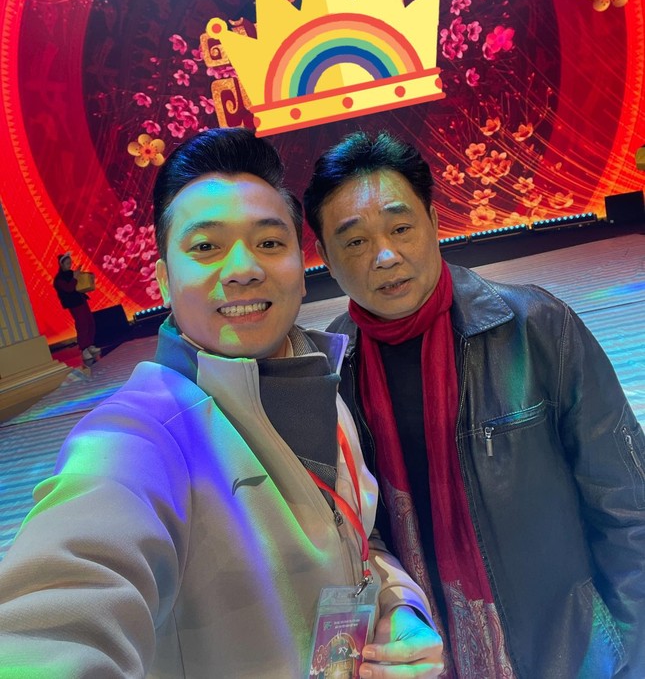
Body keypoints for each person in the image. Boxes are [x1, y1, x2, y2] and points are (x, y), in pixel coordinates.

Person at [0, 128, 443, 679]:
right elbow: (58, 610)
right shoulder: (139, 436)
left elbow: (357, 534)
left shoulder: (321, 382)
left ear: (302, 268)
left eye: (270, 243)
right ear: (164, 280)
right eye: (206, 247)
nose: (243, 269)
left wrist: (399, 607)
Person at [303, 130, 645, 679]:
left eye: (400, 228)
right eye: (356, 241)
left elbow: (626, 504)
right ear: (325, 256)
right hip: (421, 655)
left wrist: (629, 649)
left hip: (565, 649)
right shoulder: (330, 372)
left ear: (434, 222)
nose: (385, 256)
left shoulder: (535, 328)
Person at [53, 251, 100, 366]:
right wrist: (75, 277)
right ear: (62, 264)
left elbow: (81, 282)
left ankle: (89, 345)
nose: (70, 265)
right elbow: (69, 288)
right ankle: (84, 349)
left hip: (81, 300)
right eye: (67, 263)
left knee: (90, 322)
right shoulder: (59, 279)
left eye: (70, 263)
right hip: (74, 303)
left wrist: (88, 276)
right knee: (82, 324)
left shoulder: (71, 273)